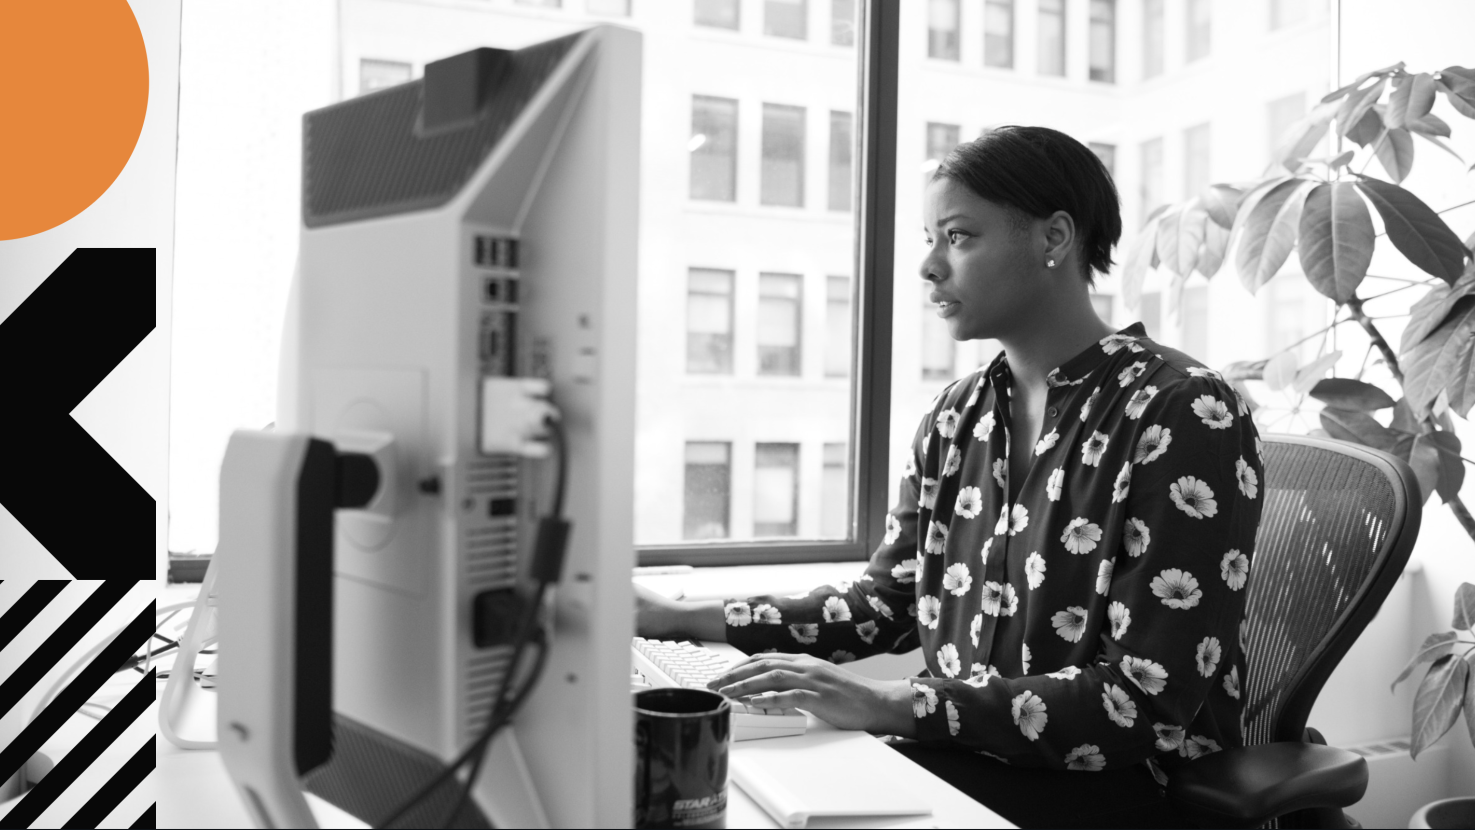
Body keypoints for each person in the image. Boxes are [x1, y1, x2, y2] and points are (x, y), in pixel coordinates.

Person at [636, 125, 1262, 829]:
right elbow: (887, 606)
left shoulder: (1184, 411)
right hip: (958, 758)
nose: (929, 266)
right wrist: (676, 617)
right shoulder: (955, 414)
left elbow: (1140, 704)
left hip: (1121, 790)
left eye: (958, 237)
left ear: (1053, 238)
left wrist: (889, 703)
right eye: (928, 239)